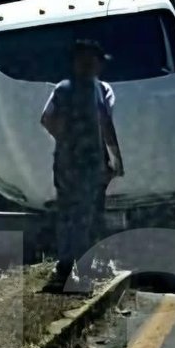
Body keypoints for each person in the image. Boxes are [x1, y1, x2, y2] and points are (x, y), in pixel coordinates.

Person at [39, 39, 124, 292]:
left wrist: (67, 141)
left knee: (73, 214)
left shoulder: (69, 89)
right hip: (86, 163)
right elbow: (105, 124)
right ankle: (77, 268)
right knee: (83, 216)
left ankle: (69, 267)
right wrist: (115, 159)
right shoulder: (94, 90)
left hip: (73, 162)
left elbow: (47, 119)